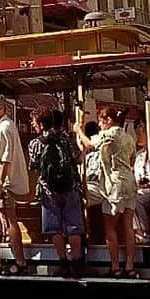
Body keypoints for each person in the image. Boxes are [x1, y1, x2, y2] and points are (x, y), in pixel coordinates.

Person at [75, 106, 137, 278]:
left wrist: (78, 129)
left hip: (114, 185)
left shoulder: (109, 134)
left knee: (109, 227)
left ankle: (115, 266)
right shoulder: (129, 137)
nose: (100, 125)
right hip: (130, 182)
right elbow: (131, 159)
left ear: (108, 120)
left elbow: (89, 144)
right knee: (128, 226)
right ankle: (130, 266)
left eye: (101, 121)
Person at [29, 110, 84, 277]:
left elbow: (33, 166)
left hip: (48, 191)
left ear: (41, 124)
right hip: (70, 187)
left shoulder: (36, 143)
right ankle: (76, 263)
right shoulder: (66, 138)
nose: (33, 124)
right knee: (74, 227)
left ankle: (63, 263)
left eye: (34, 122)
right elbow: (77, 158)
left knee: (55, 229)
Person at [0, 93, 29, 275]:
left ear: (2, 108)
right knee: (6, 218)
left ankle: (19, 260)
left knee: (10, 219)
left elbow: (5, 159)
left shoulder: (4, 128)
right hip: (5, 180)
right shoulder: (5, 126)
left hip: (4, 182)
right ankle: (16, 258)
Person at [133, 120, 150, 244]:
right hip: (141, 190)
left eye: (140, 134)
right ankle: (137, 233)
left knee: (137, 200)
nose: (138, 137)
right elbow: (136, 177)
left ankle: (146, 233)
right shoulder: (139, 155)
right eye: (137, 134)